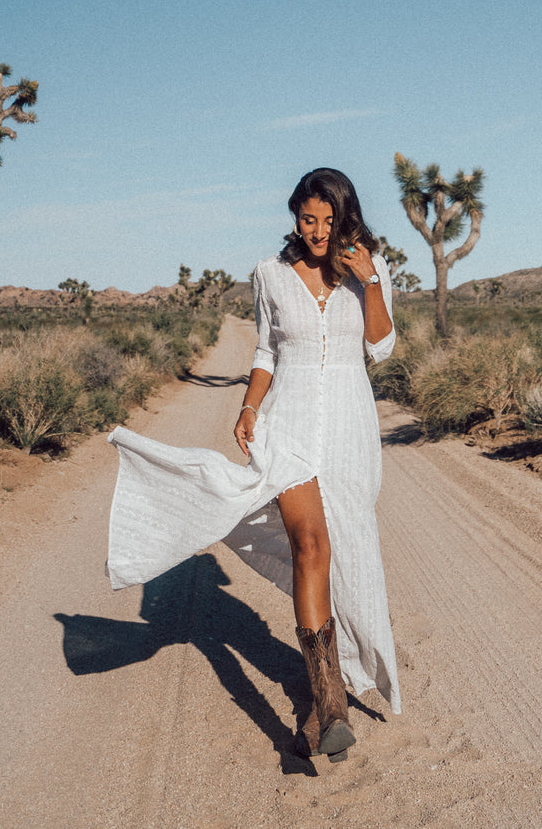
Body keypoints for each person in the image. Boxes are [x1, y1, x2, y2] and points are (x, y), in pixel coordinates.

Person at [106, 168, 400, 761]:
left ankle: (334, 681)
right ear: (295, 216)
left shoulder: (368, 269)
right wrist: (249, 406)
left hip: (347, 428)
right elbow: (266, 349)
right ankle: (329, 704)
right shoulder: (270, 274)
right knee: (310, 545)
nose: (317, 231)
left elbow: (382, 347)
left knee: (347, 550)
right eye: (306, 218)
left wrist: (368, 283)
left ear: (346, 217)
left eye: (327, 219)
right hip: (287, 423)